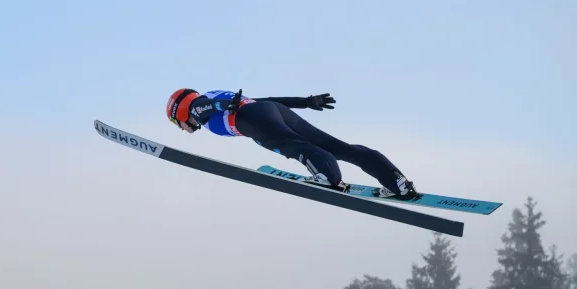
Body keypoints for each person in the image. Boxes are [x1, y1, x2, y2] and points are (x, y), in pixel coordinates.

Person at [165, 88, 418, 200]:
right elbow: (266, 99)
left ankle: (328, 177)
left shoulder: (199, 107)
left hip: (251, 119)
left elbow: (206, 107)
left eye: (179, 123)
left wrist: (224, 107)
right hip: (271, 110)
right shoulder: (213, 94)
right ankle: (397, 183)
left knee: (295, 147)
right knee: (338, 147)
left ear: (181, 110)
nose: (185, 128)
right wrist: (305, 102)